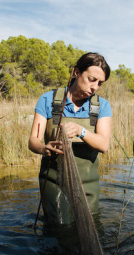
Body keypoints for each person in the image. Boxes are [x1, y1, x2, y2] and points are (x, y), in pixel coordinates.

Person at [28, 52, 112, 225]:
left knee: (91, 226)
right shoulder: (47, 100)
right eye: (91, 79)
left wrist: (81, 131)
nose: (95, 86)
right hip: (54, 182)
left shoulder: (101, 106)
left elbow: (103, 145)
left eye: (100, 83)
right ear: (76, 72)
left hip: (88, 185)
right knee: (60, 229)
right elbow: (33, 141)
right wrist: (44, 149)